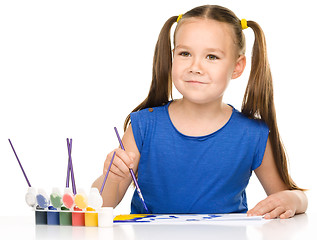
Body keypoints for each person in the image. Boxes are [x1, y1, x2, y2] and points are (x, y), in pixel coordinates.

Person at [92, 5, 307, 219]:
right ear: (172, 56)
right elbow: (102, 203)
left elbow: (287, 198)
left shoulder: (252, 134)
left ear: (237, 66)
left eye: (211, 57)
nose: (195, 67)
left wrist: (295, 200)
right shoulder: (144, 126)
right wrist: (111, 177)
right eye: (185, 53)